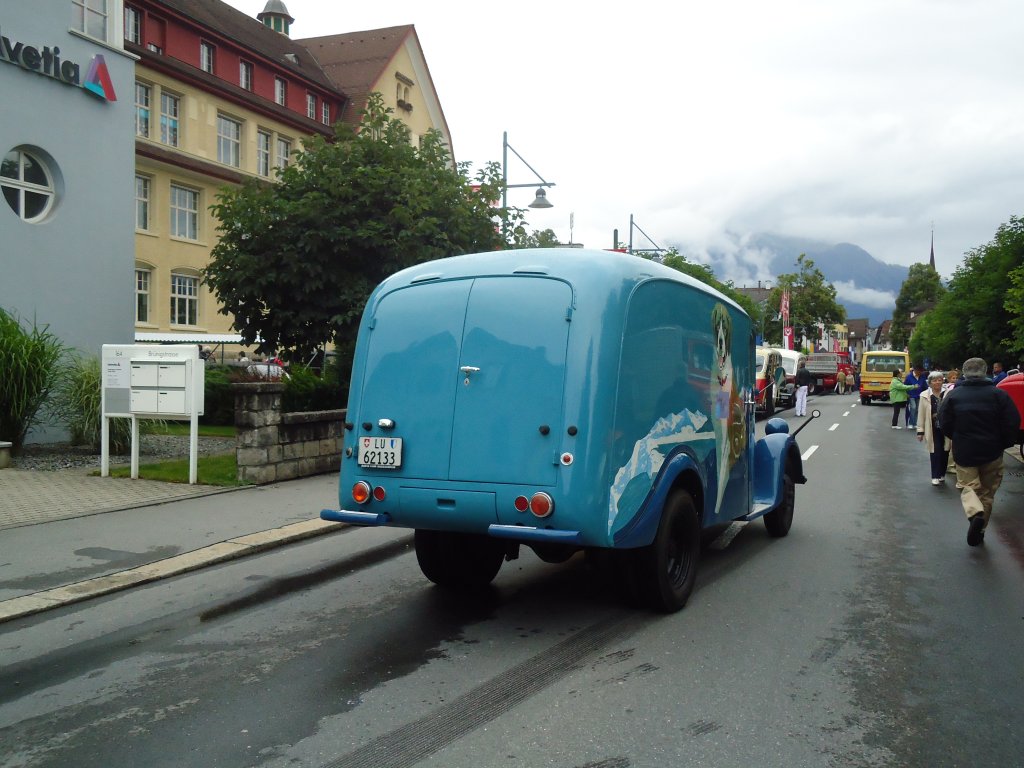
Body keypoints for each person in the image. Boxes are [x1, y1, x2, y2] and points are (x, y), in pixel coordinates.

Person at [937, 357, 1021, 546]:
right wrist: (1003, 443)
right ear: (986, 372)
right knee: (987, 493)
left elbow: (944, 422)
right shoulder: (999, 395)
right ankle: (980, 530)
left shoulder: (954, 395)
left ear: (964, 373)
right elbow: (1012, 421)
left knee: (968, 486)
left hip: (965, 450)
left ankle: (975, 513)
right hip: (992, 451)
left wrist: (957, 437)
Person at [916, 371, 950, 485]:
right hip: (932, 428)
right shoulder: (924, 395)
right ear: (930, 383)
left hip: (946, 427)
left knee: (945, 451)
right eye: (934, 380)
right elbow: (921, 413)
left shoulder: (949, 394)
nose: (937, 383)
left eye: (939, 380)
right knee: (935, 451)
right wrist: (920, 431)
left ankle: (941, 474)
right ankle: (934, 475)